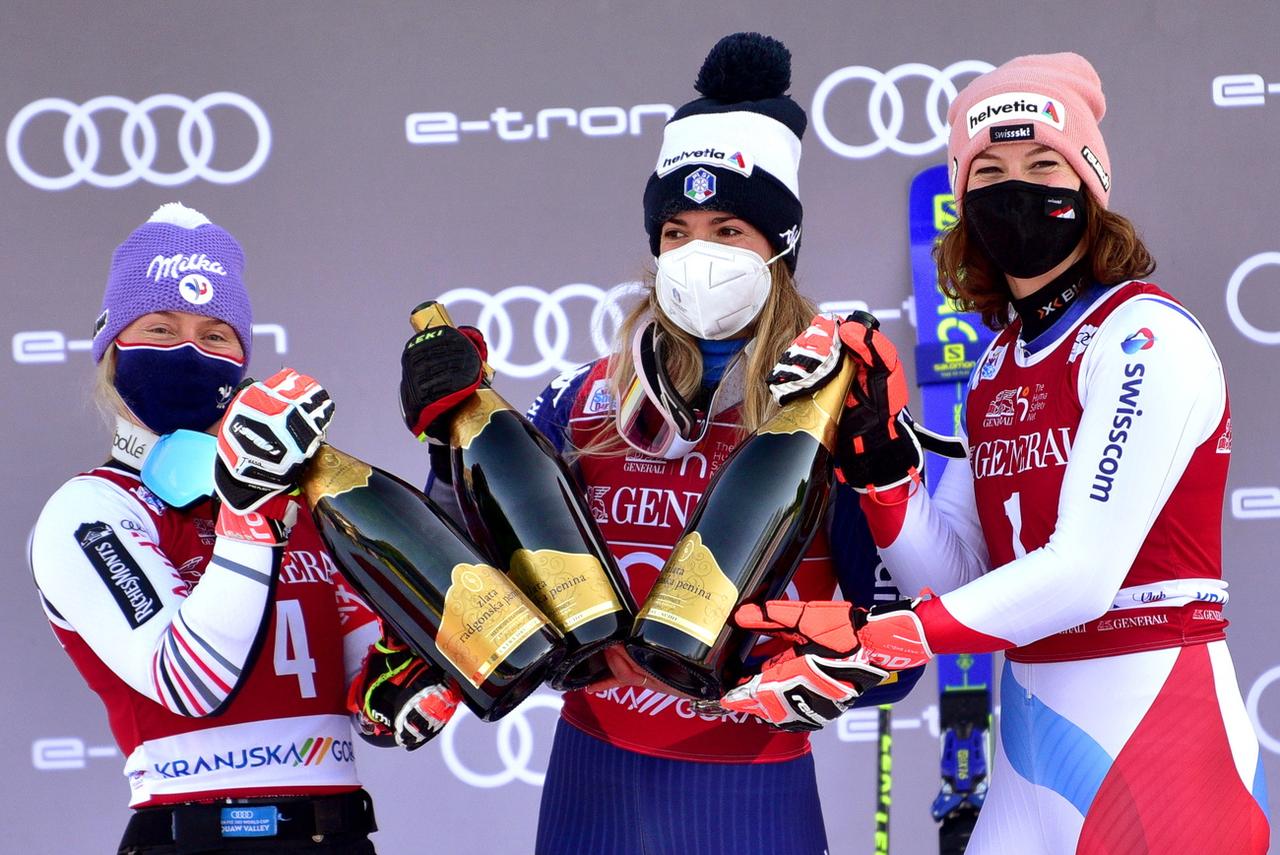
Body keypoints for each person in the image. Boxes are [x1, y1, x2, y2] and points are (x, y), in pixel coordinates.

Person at [722, 53, 1272, 853]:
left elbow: (1082, 574)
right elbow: (954, 586)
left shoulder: (1143, 337)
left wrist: (879, 639)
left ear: (1088, 185)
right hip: (1030, 741)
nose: (1016, 186)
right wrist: (881, 468)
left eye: (1042, 163)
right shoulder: (996, 364)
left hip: (1158, 733)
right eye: (990, 171)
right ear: (962, 199)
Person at [398, 32, 922, 855]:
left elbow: (901, 651)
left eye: (729, 229)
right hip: (591, 781)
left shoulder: (832, 403)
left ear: (779, 247)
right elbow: (477, 588)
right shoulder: (582, 402)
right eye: (676, 230)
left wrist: (796, 666)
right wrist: (446, 437)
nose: (697, 255)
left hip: (752, 787)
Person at [30, 203, 460, 855]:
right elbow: (189, 678)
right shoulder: (91, 510)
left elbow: (367, 678)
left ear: (242, 360)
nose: (189, 351)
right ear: (113, 349)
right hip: (194, 837)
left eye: (214, 335)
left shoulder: (303, 497)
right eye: (160, 327)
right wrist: (250, 509)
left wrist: (453, 458)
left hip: (336, 833)